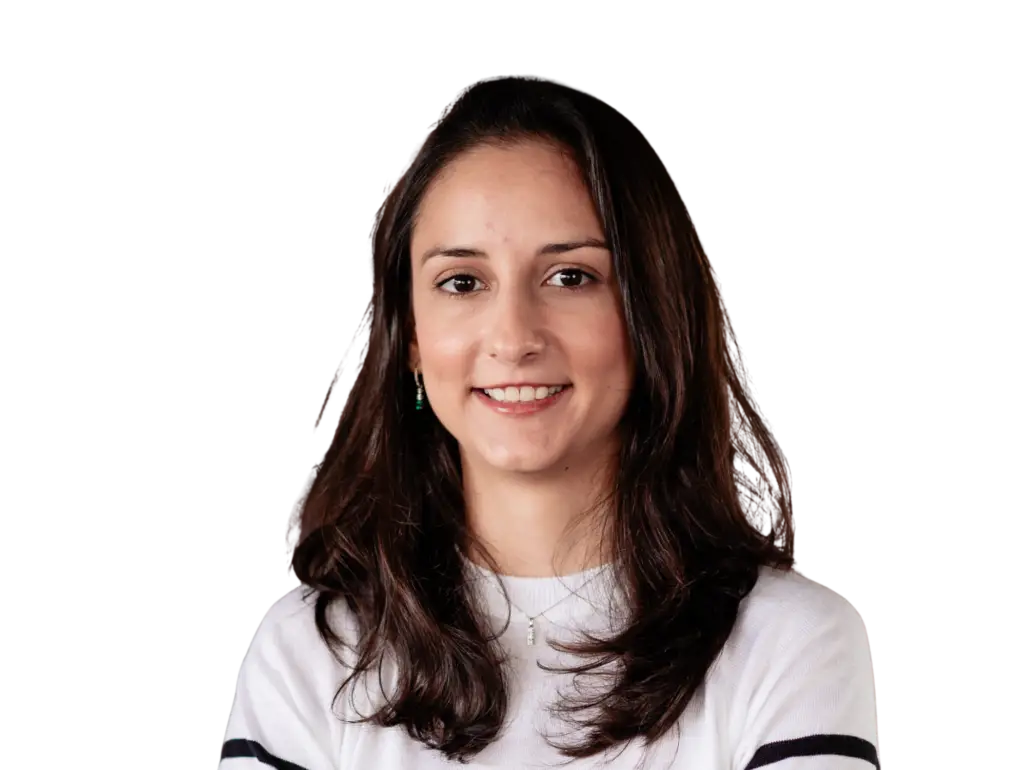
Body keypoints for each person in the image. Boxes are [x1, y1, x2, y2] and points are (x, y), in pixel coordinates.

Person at [220, 73, 880, 769]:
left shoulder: (790, 643)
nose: (513, 338)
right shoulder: (307, 652)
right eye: (462, 282)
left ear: (651, 313)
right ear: (411, 336)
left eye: (571, 276)